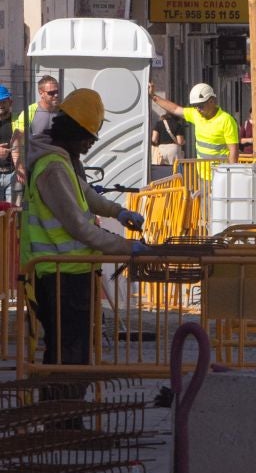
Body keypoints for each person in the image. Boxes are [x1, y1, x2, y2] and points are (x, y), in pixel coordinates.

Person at [23, 88, 144, 380]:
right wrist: (126, 247)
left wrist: (118, 212)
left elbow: (86, 194)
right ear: (74, 132)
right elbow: (78, 225)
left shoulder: (62, 161)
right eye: (89, 137)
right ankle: (62, 415)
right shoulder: (52, 167)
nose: (90, 145)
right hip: (57, 274)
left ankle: (65, 414)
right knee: (67, 354)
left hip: (69, 272)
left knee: (72, 352)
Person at [150, 82, 240, 175]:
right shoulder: (196, 114)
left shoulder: (226, 120)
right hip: (202, 174)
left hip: (220, 175)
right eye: (195, 106)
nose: (198, 109)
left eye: (200, 106)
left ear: (211, 101)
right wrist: (153, 96)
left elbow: (233, 151)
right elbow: (175, 109)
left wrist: (231, 176)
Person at [13, 75, 57, 143]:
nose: (56, 95)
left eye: (57, 91)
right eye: (51, 93)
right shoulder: (30, 111)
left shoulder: (63, 111)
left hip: (59, 152)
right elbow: (18, 135)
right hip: (38, 152)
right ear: (41, 93)